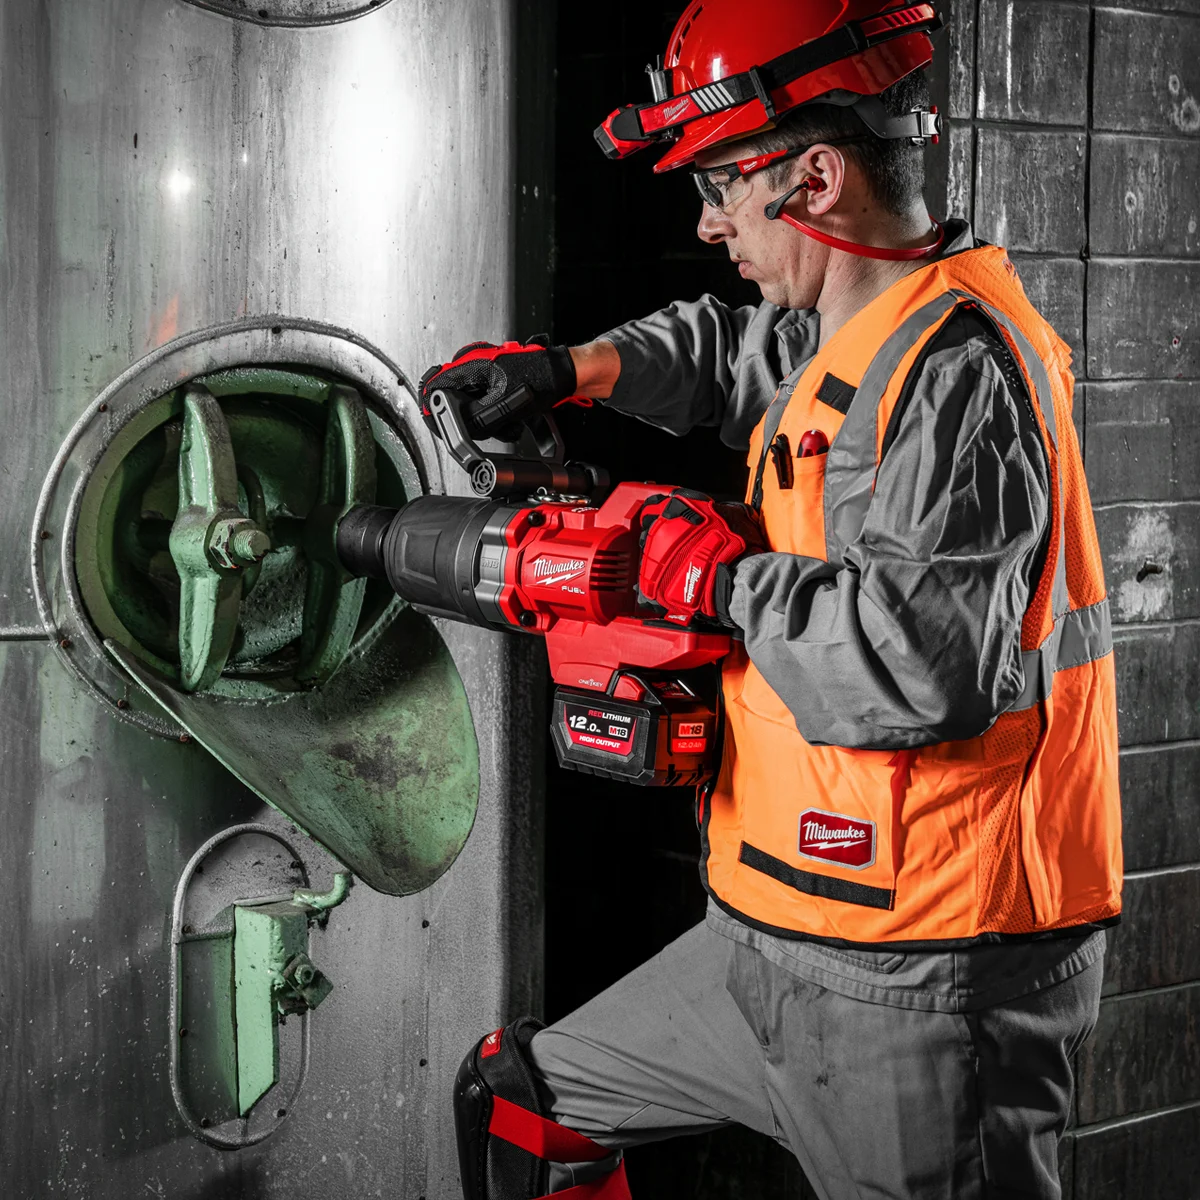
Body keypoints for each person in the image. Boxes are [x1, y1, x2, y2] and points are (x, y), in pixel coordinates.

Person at [427, 3, 1123, 1197]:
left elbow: (913, 672)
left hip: (923, 968)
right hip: (774, 935)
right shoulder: (853, 323)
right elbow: (727, 354)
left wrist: (709, 576)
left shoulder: (957, 374)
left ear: (816, 178)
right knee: (528, 1112)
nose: (708, 224)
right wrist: (566, 370)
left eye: (721, 186)